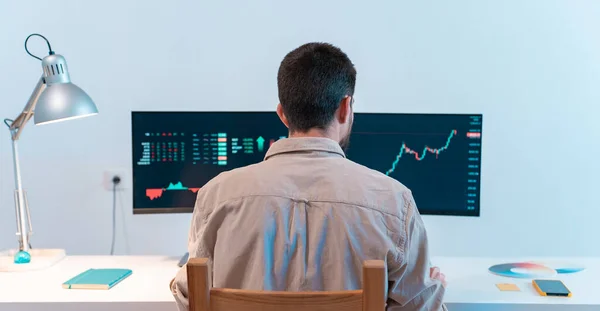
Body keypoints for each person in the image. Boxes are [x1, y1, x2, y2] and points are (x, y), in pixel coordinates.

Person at [171, 42, 447, 310]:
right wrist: (430, 291)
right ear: (345, 107)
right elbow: (418, 308)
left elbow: (189, 297)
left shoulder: (216, 195)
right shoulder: (395, 202)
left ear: (282, 114)